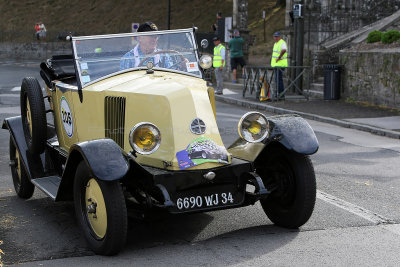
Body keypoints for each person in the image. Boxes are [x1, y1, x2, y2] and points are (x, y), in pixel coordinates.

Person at [271, 31, 288, 100]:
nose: (275, 38)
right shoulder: (276, 43)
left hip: (280, 64)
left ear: (279, 37)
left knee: (279, 80)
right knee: (277, 80)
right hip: (276, 65)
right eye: (274, 36)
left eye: (277, 36)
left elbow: (284, 50)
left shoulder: (282, 42)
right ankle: (278, 93)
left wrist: (279, 57)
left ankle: (281, 94)